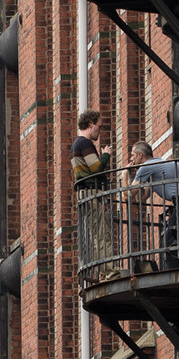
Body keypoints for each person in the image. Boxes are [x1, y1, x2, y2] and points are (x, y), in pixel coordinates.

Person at [130, 140, 179, 268]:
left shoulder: (146, 166)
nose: (131, 158)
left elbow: (127, 194)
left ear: (140, 155)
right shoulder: (156, 166)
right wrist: (140, 183)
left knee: (168, 239)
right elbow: (141, 199)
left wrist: (126, 174)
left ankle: (171, 272)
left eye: (132, 155)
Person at [71, 110, 116, 275]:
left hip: (86, 195)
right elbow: (96, 167)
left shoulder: (77, 144)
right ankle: (109, 271)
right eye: (99, 126)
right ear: (91, 125)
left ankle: (105, 270)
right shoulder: (84, 143)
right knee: (102, 234)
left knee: (98, 234)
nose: (100, 130)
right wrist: (105, 155)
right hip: (91, 193)